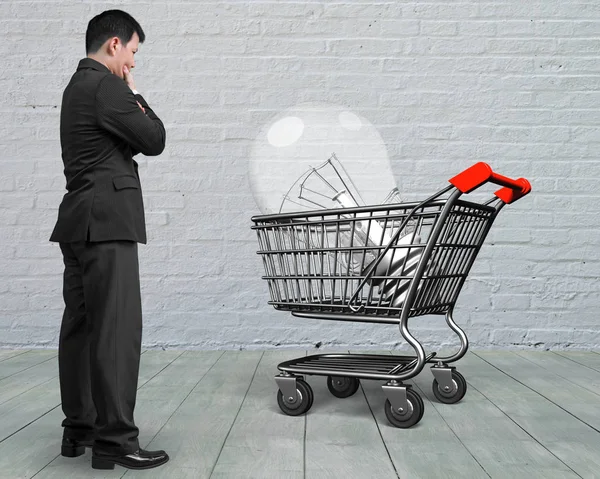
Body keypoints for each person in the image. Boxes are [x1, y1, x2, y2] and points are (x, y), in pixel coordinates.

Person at [49, 9, 168, 471]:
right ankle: (116, 440)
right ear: (114, 44)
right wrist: (138, 97)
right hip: (107, 222)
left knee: (80, 328)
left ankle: (79, 429)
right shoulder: (108, 86)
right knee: (116, 332)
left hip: (78, 221)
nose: (133, 63)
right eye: (133, 51)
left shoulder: (75, 88)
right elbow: (154, 139)